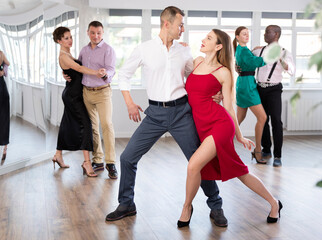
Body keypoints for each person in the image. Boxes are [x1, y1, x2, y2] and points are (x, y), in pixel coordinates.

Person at [106, 6, 228, 227]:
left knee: (198, 161)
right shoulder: (144, 49)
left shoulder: (184, 50)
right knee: (127, 158)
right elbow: (123, 75)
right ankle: (126, 204)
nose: (183, 29)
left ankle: (216, 206)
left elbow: (196, 76)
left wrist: (215, 94)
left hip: (182, 112)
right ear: (167, 24)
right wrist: (130, 103)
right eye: (180, 25)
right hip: (154, 114)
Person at [177, 29, 282, 228]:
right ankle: (274, 203)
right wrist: (179, 48)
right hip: (202, 126)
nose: (203, 39)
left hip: (219, 125)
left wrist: (239, 135)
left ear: (218, 46)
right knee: (240, 172)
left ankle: (186, 208)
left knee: (193, 166)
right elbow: (180, 73)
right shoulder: (197, 61)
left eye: (208, 38)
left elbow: (229, 107)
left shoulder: (224, 72)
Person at [53, 26, 106, 177]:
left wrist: (65, 73)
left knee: (66, 123)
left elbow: (72, 71)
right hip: (72, 96)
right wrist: (96, 73)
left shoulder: (67, 53)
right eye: (66, 38)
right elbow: (79, 68)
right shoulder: (63, 56)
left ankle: (58, 154)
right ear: (59, 41)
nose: (70, 40)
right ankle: (87, 163)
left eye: (70, 37)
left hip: (73, 92)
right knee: (86, 124)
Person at [78, 21, 117, 179]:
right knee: (92, 127)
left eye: (99, 33)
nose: (96, 36)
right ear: (88, 32)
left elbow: (112, 69)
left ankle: (111, 163)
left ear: (102, 33)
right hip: (86, 93)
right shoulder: (84, 50)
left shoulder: (108, 50)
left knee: (106, 125)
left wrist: (105, 73)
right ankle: (98, 160)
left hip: (102, 92)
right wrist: (66, 74)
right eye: (93, 32)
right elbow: (78, 67)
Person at [253, 25, 295, 167]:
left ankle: (278, 155)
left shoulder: (284, 52)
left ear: (276, 34)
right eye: (265, 32)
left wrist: (281, 60)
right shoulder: (259, 50)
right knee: (262, 120)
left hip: (274, 89)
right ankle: (266, 150)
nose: (265, 34)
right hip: (259, 88)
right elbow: (245, 60)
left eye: (268, 32)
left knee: (276, 121)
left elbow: (292, 71)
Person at [233, 26, 267, 164]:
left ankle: (219, 146)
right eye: (243, 34)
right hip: (247, 86)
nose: (247, 35)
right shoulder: (243, 51)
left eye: (248, 33)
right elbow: (256, 62)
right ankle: (258, 151)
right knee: (262, 117)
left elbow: (248, 59)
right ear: (237, 37)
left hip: (243, 83)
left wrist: (253, 51)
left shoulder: (241, 50)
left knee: (238, 119)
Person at [0, 50, 10, 161]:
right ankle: (5, 148)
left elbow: (8, 64)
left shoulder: (1, 53)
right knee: (4, 118)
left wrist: (3, 72)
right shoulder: (1, 54)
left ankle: (5, 148)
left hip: (2, 90)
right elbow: (7, 64)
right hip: (2, 88)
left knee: (4, 118)